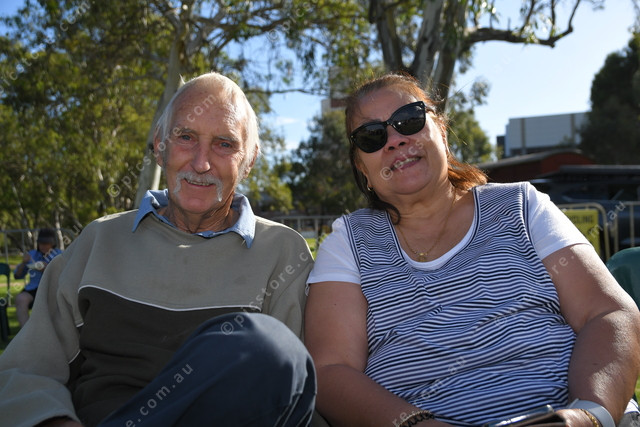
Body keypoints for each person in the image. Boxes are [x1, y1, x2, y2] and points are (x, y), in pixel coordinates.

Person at [304, 72, 640, 427]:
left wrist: (589, 414)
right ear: (362, 167)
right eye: (372, 136)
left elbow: (608, 312)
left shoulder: (522, 205)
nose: (395, 140)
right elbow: (330, 369)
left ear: (442, 131)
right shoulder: (347, 242)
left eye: (409, 119)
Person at [0, 72, 316, 427]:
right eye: (186, 137)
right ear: (160, 146)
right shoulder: (98, 241)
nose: (201, 163)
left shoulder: (283, 253)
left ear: (250, 160)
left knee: (272, 347)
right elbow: (24, 371)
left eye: (224, 144)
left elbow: (300, 390)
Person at [13, 227, 63, 327]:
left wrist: (46, 269)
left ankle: (50, 331)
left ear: (52, 243)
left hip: (52, 288)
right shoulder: (32, 255)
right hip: (34, 288)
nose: (43, 246)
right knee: (20, 299)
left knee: (52, 303)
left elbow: (63, 275)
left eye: (46, 243)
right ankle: (26, 332)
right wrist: (23, 263)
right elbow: (17, 276)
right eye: (41, 243)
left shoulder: (59, 255)